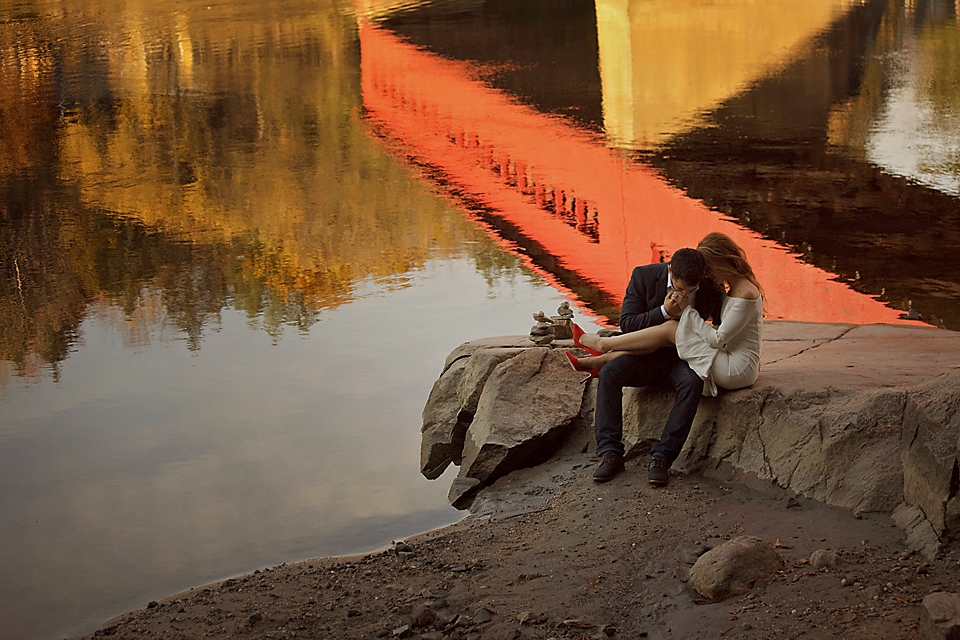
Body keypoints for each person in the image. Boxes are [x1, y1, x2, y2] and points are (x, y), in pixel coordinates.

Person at [570, 233, 763, 486]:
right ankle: (610, 453)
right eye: (680, 288)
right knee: (611, 373)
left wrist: (690, 320)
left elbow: (721, 329)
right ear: (670, 270)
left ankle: (662, 457)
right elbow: (628, 325)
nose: (684, 293)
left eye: (690, 290)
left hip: (682, 358)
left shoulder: (710, 287)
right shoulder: (644, 276)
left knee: (692, 383)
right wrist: (663, 312)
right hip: (646, 356)